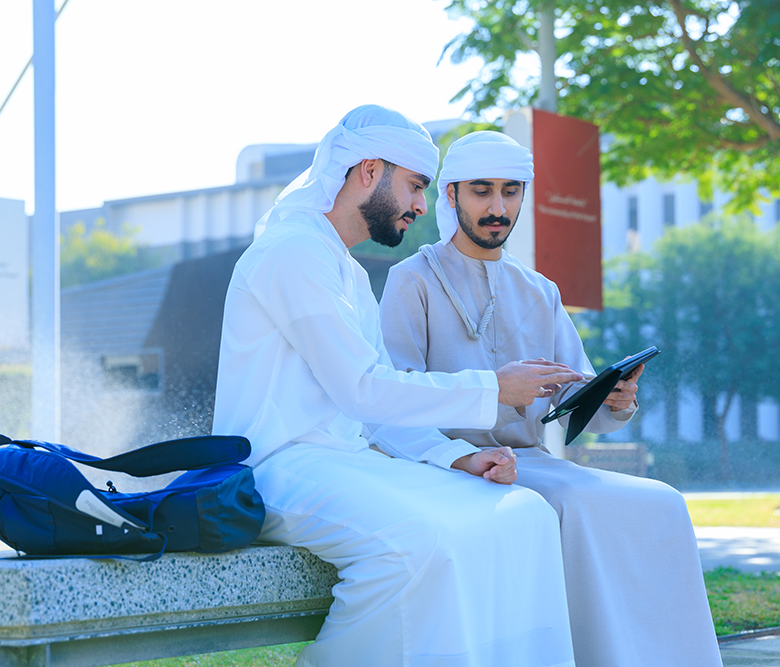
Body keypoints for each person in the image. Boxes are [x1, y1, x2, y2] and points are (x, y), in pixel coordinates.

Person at [212, 107, 581, 667]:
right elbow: (364, 390)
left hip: (345, 461)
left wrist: (456, 457)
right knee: (422, 543)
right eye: (414, 186)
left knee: (523, 514)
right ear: (367, 171)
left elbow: (376, 412)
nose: (420, 207)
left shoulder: (349, 272)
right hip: (277, 468)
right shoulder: (292, 253)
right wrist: (494, 388)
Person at [380, 131, 724, 667]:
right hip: (448, 466)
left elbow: (572, 406)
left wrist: (615, 399)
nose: (498, 208)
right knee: (578, 504)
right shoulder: (411, 281)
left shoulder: (539, 290)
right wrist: (465, 451)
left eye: (511, 192)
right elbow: (391, 401)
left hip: (537, 461)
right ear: (450, 195)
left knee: (662, 503)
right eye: (481, 191)